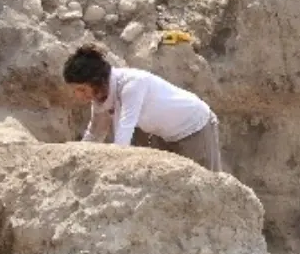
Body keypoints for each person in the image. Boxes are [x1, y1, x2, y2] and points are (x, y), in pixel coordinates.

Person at [62, 44, 222, 172]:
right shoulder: (100, 98)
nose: (78, 95)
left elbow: (124, 132)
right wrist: (76, 159)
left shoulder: (132, 84)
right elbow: (95, 134)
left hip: (194, 126)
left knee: (206, 183)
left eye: (82, 89)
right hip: (163, 134)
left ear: (96, 81)